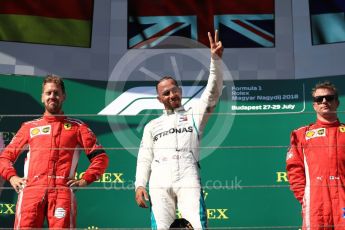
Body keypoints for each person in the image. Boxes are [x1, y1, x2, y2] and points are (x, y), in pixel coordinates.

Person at [135, 30, 223, 229]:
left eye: (174, 90)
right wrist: (140, 184)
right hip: (159, 179)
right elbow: (144, 158)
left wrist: (215, 61)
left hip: (188, 174)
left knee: (197, 225)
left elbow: (212, 93)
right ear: (159, 99)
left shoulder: (194, 114)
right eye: (166, 93)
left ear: (180, 91)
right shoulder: (152, 126)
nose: (171, 94)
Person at [0, 75, 109, 228]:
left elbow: (101, 158)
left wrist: (85, 179)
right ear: (42, 97)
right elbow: (4, 157)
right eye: (49, 93)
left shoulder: (78, 127)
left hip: (62, 192)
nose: (53, 96)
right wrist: (12, 177)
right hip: (31, 191)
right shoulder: (29, 127)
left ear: (63, 96)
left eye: (56, 93)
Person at [286, 81, 345, 229]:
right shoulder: (301, 134)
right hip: (315, 203)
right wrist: (305, 197)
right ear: (314, 106)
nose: (324, 101)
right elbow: (294, 171)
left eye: (329, 98)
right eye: (319, 99)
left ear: (337, 102)